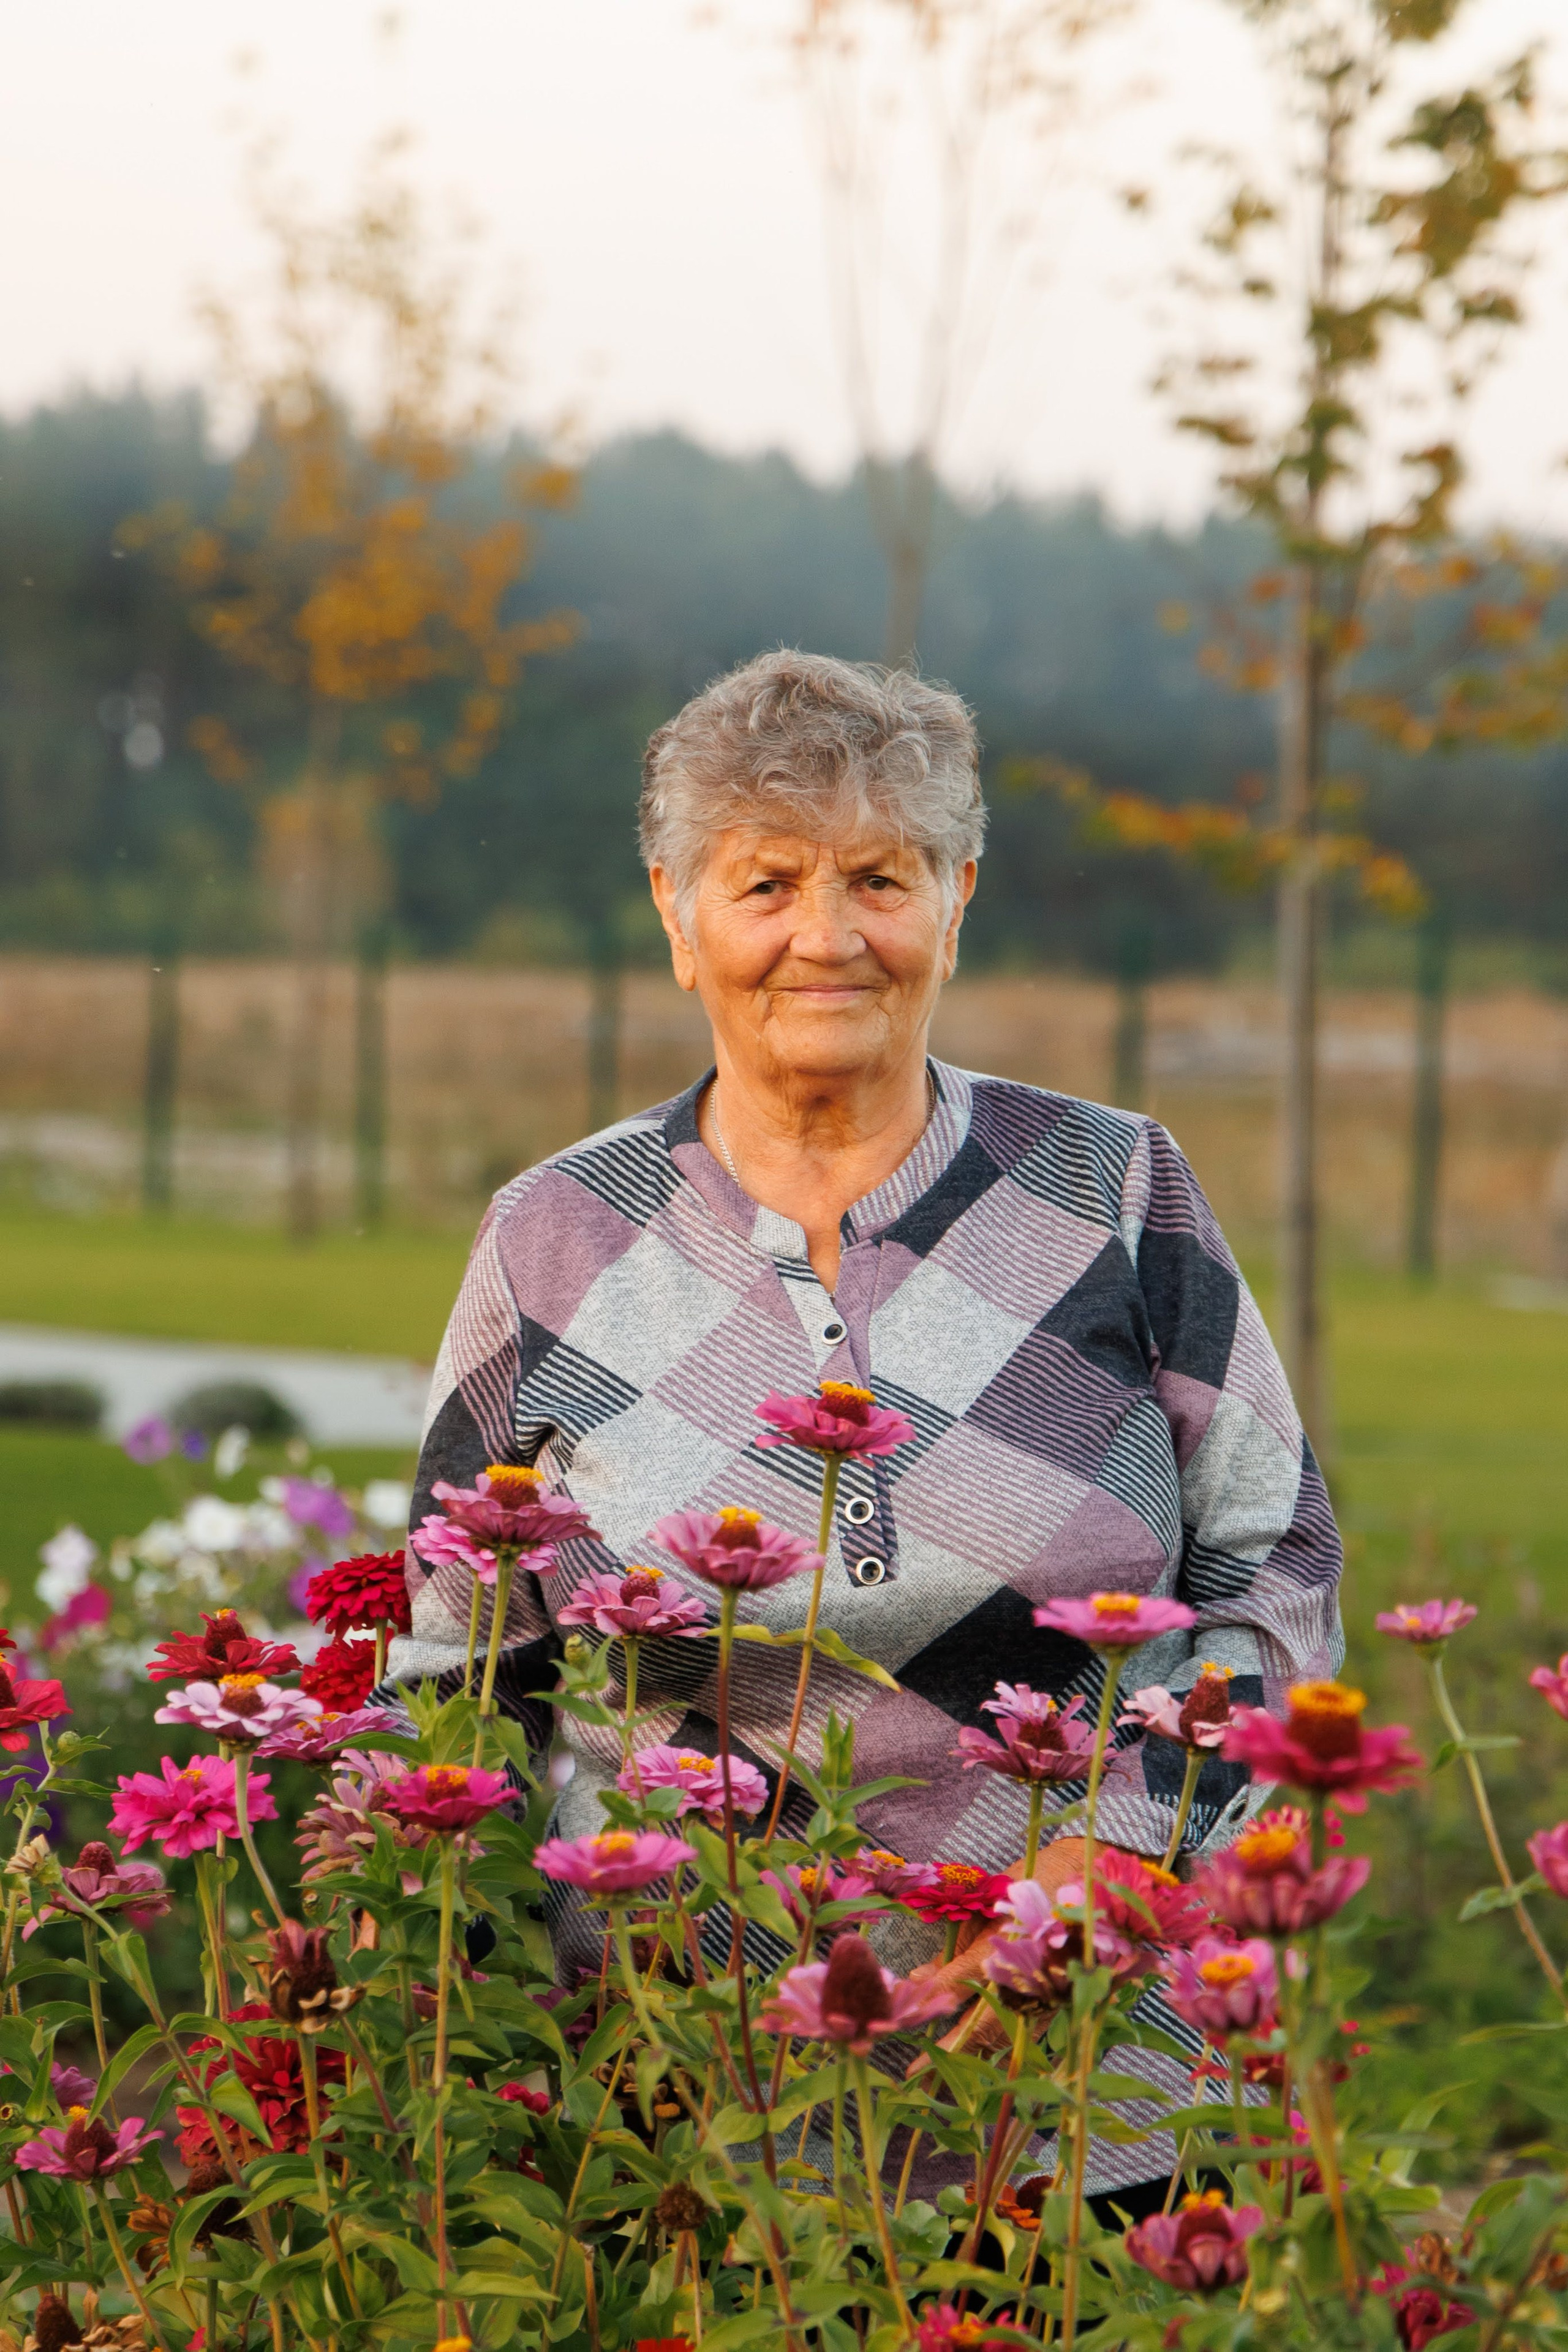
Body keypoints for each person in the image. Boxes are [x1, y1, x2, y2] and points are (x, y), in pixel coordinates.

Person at [392, 647, 1343, 2207]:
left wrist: (1123, 1845)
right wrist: (461, 2017)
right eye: (764, 883)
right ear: (673, 912)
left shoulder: (1106, 1187)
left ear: (957, 898)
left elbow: (1271, 1568)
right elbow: (463, 1658)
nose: (824, 938)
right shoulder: (556, 1233)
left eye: (880, 879)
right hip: (676, 2094)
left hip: (1087, 2075)